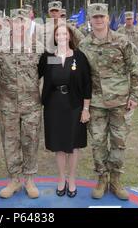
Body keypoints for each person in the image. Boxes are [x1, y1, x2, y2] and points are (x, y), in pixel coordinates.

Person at [79, 4, 138, 200]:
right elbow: (81, 77)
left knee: (119, 142)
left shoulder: (122, 41)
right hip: (96, 103)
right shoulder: (84, 45)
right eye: (94, 17)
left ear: (108, 18)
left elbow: (136, 69)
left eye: (101, 16)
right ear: (89, 20)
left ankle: (115, 179)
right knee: (98, 143)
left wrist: (134, 97)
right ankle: (102, 178)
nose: (98, 20)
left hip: (120, 102)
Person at [0, 8, 42, 199]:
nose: (20, 24)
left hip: (31, 106)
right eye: (16, 21)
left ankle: (29, 179)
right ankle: (14, 179)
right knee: (10, 143)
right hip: (8, 106)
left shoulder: (38, 47)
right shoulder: (0, 49)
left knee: (31, 141)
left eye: (24, 21)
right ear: (11, 24)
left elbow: (46, 72)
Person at [38, 24, 91, 198]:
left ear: (69, 36)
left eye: (64, 33)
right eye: (58, 34)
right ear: (54, 37)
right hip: (53, 106)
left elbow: (87, 85)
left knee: (73, 144)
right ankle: (61, 178)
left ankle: (72, 178)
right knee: (59, 145)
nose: (61, 37)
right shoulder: (48, 57)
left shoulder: (79, 57)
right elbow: (34, 74)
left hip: (74, 105)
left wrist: (85, 109)